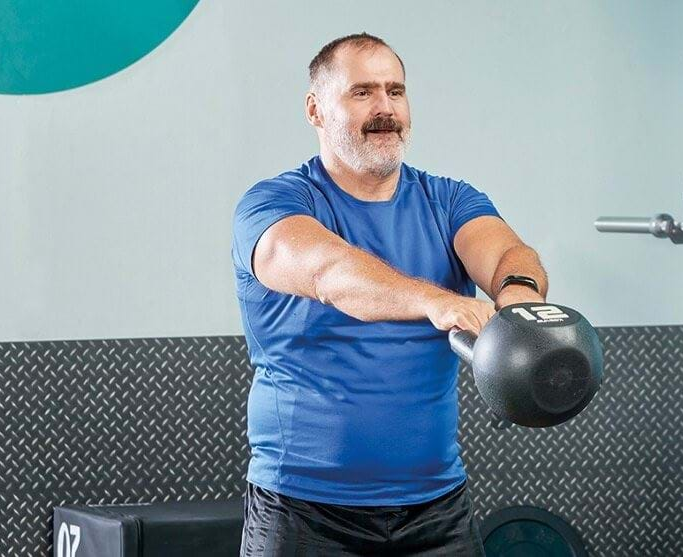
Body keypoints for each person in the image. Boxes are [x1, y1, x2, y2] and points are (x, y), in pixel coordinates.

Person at [231, 32, 549, 556]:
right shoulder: (274, 205)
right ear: (315, 109)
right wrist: (436, 301)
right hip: (304, 512)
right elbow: (331, 274)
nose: (385, 109)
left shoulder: (449, 201)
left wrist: (517, 301)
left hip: (438, 510)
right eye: (362, 93)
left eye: (395, 92)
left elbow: (508, 255)